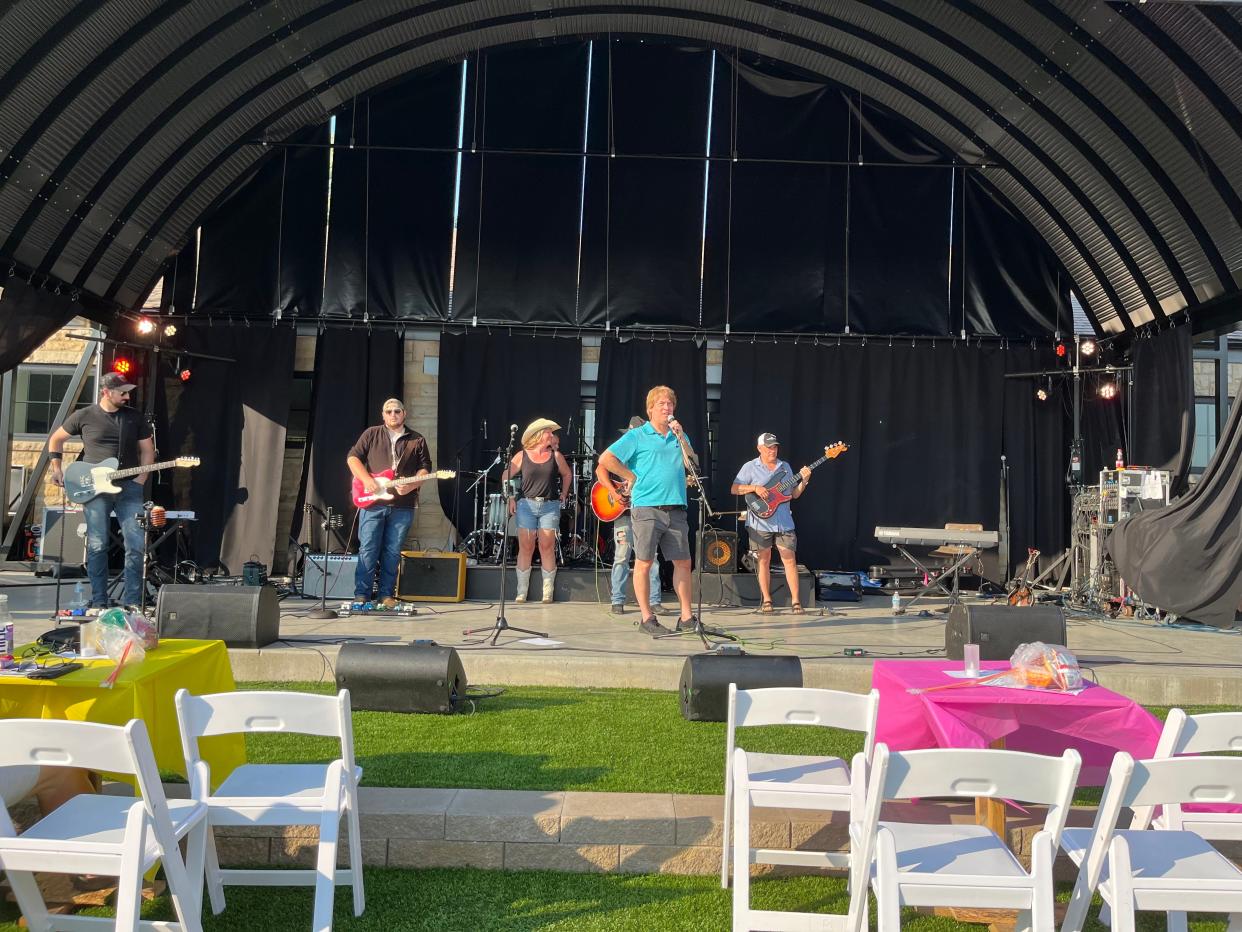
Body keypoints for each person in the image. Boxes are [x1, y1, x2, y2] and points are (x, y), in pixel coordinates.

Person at [47, 371, 154, 610]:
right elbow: (55, 440)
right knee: (97, 544)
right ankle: (99, 600)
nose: (127, 397)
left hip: (128, 487)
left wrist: (141, 478)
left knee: (136, 544)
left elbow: (148, 450)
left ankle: (133, 602)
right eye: (122, 392)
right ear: (106, 392)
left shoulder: (134, 418)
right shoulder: (84, 415)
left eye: (128, 392)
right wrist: (57, 468)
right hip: (94, 488)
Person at [597, 386, 698, 636]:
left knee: (683, 562)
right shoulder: (637, 436)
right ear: (650, 408)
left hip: (676, 507)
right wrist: (629, 475)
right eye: (662, 404)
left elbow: (692, 464)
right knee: (644, 562)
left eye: (670, 404)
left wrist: (682, 437)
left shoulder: (679, 436)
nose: (667, 408)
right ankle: (647, 618)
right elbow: (606, 460)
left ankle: (686, 617)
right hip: (647, 508)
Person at [347, 399, 432, 607]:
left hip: (403, 504)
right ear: (383, 415)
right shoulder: (371, 434)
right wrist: (367, 480)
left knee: (393, 550)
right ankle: (362, 594)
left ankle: (386, 595)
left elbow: (425, 468)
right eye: (388, 411)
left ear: (404, 413)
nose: (393, 414)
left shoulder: (417, 439)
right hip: (374, 502)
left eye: (397, 411)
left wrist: (412, 486)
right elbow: (353, 458)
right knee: (368, 547)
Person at [731, 432, 812, 614]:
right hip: (760, 522)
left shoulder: (785, 467)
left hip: (783, 521)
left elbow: (794, 494)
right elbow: (734, 488)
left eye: (775, 447)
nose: (772, 451)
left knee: (789, 559)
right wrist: (755, 488)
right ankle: (767, 600)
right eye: (768, 447)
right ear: (759, 448)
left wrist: (804, 481)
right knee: (763, 560)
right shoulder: (750, 467)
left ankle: (796, 601)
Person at [597, 417, 663, 615]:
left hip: (645, 509)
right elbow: (600, 469)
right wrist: (614, 491)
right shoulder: (623, 448)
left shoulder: (651, 452)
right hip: (625, 512)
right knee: (622, 556)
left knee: (651, 557)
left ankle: (655, 600)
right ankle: (618, 600)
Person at [503, 418, 573, 603]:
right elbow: (506, 475)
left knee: (546, 545)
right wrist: (510, 497)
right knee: (526, 546)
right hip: (526, 505)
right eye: (548, 432)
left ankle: (547, 592)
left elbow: (567, 474)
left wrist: (564, 493)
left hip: (549, 505)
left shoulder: (556, 456)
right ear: (539, 435)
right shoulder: (522, 455)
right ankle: (521, 591)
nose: (551, 435)